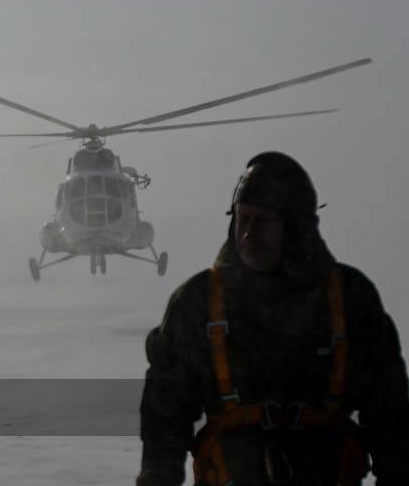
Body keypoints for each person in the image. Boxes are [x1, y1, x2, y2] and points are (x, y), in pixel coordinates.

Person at [137, 151, 409, 485]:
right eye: (243, 219)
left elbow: (391, 416)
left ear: (294, 228)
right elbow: (164, 416)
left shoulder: (350, 301)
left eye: (262, 223)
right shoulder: (197, 304)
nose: (247, 235)